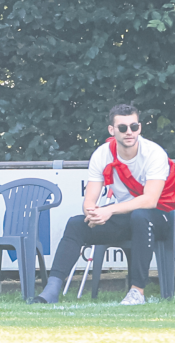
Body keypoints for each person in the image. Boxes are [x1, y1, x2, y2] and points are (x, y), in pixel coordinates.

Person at [34, 104, 174, 305]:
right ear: (112, 130)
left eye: (134, 127)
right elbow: (90, 199)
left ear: (140, 128)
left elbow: (150, 200)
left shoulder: (153, 153)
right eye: (123, 128)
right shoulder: (102, 154)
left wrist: (108, 210)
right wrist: (92, 213)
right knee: (76, 223)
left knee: (141, 215)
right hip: (128, 216)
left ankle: (137, 291)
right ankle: (51, 289)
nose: (129, 132)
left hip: (162, 215)